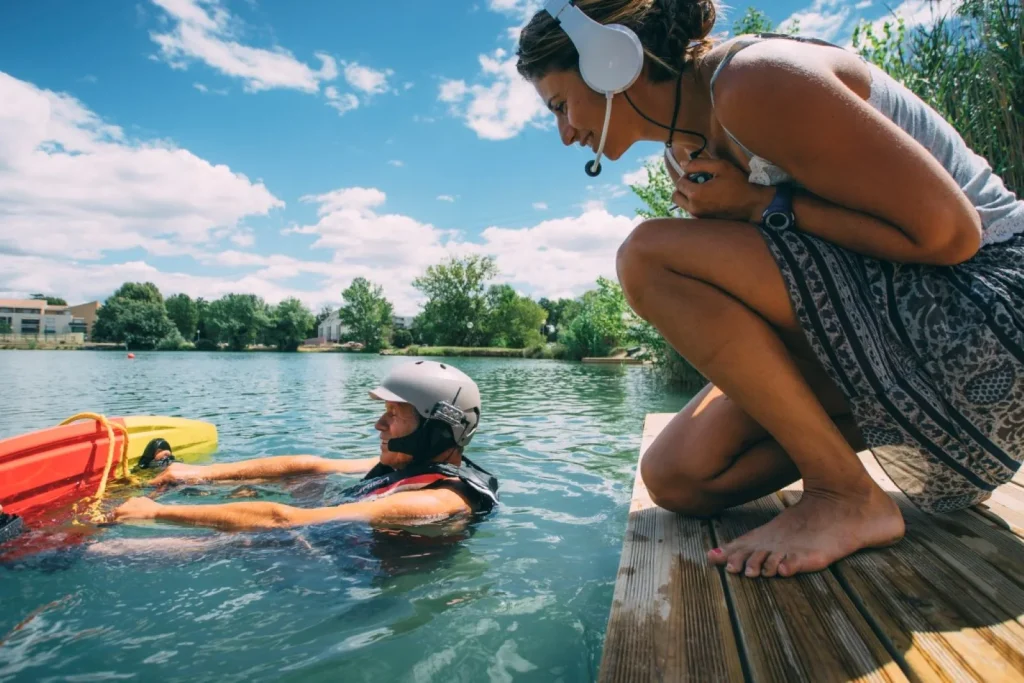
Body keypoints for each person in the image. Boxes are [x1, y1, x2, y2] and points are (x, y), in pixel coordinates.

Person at [516, 0, 1024, 578]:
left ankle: (844, 494)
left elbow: (953, 235)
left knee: (648, 256)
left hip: (992, 310)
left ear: (610, 60)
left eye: (560, 105)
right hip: (911, 331)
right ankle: (906, 439)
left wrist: (763, 205)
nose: (563, 133)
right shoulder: (684, 154)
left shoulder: (756, 82)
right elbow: (776, 295)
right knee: (680, 476)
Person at [112, 360, 499, 531]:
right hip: (335, 541)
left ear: (436, 431)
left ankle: (85, 550)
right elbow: (311, 465)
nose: (378, 424)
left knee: (252, 536)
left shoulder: (437, 501)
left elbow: (285, 520)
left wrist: (157, 514)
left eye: (394, 415)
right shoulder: (412, 465)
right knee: (299, 478)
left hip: (340, 582)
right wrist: (199, 473)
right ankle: (178, 473)